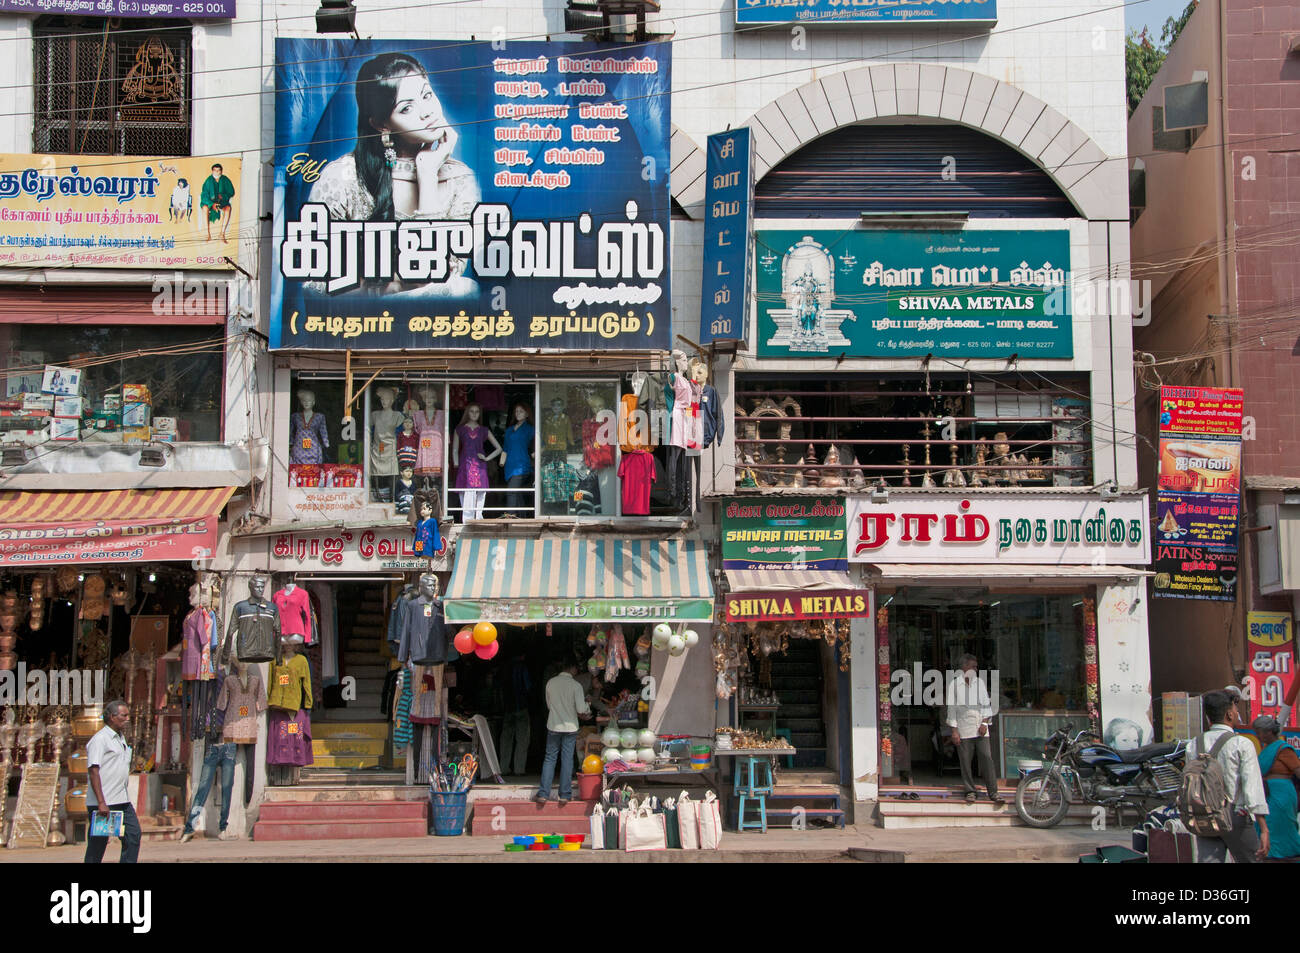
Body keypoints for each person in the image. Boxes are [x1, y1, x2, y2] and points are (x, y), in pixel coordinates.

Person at [306, 52, 479, 298]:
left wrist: (428, 173)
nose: (427, 112)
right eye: (407, 108)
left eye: (427, 95)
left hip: (434, 325)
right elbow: (314, 283)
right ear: (381, 124)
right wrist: (387, 288)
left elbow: (439, 276)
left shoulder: (461, 179)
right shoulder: (342, 177)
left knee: (465, 290)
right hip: (362, 324)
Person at [1186, 690, 1269, 863]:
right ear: (1229, 714)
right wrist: (1264, 828)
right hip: (1234, 816)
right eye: (1236, 710)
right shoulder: (1241, 743)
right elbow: (1252, 788)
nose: (1237, 713)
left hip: (1204, 816)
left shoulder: (1193, 744)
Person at [84, 700, 141, 863]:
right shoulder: (100, 739)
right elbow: (93, 771)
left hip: (122, 799)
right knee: (97, 845)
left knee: (133, 835)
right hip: (103, 802)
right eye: (123, 715)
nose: (127, 719)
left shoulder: (120, 739)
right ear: (111, 717)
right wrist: (101, 802)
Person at [945, 654, 1004, 805]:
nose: (975, 670)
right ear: (964, 668)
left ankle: (993, 791)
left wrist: (984, 724)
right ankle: (970, 790)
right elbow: (951, 710)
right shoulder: (954, 685)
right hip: (963, 727)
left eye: (976, 667)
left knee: (986, 758)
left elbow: (986, 705)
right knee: (965, 761)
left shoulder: (979, 683)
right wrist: (954, 731)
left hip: (980, 727)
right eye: (973, 667)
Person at [535, 658, 590, 807]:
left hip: (553, 725)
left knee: (550, 758)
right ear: (572, 669)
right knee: (567, 760)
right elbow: (580, 709)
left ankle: (543, 794)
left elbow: (548, 705)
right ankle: (565, 795)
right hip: (570, 727)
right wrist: (587, 706)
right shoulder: (576, 685)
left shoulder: (551, 683)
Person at [1252, 714, 1300, 861]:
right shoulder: (1266, 749)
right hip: (1267, 794)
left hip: (1282, 795)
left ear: (1269, 732)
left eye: (1259, 732)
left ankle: (1289, 855)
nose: (1257, 735)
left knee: (1281, 825)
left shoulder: (1284, 749)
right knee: (1267, 825)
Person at [499, 653, 533, 777]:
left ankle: (503, 768)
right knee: (522, 740)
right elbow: (528, 686)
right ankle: (519, 769)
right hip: (521, 707)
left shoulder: (505, 667)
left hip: (508, 709)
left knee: (506, 740)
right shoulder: (522, 667)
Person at [200, 162, 235, 243]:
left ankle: (222, 234)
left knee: (228, 208)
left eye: (218, 170)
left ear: (221, 171)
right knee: (205, 208)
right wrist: (212, 204)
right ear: (212, 171)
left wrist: (223, 196)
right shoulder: (208, 181)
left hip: (221, 202)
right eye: (215, 170)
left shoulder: (225, 179)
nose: (217, 172)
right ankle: (207, 234)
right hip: (210, 202)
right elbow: (204, 195)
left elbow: (231, 192)